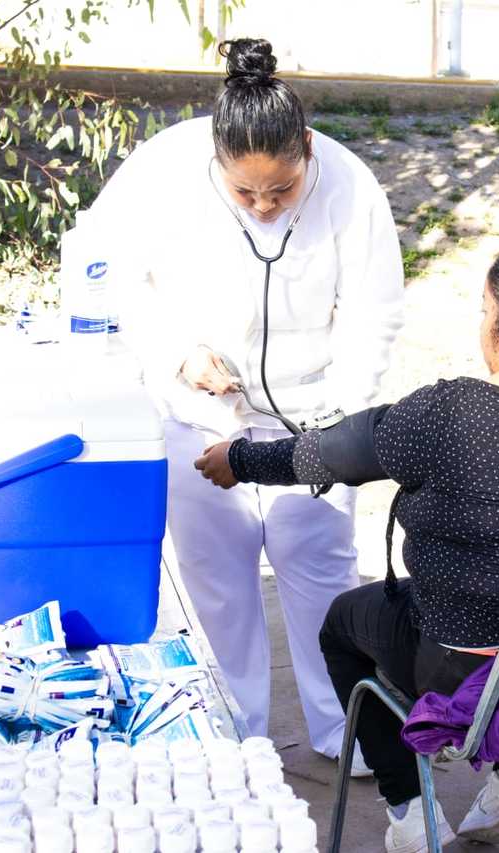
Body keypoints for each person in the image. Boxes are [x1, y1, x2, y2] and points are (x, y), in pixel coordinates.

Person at [194, 238, 499, 851]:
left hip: (459, 665)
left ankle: (411, 813)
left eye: (486, 309)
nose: (482, 325)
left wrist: (239, 459)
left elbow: (333, 452)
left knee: (344, 623)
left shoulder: (457, 414)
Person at [90, 38, 405, 772]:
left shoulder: (351, 186)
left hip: (310, 415)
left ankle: (343, 728)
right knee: (219, 583)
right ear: (215, 158)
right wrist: (176, 352)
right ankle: (235, 737)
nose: (264, 206)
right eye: (245, 194)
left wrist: (340, 422)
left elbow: (375, 314)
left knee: (319, 571)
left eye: (282, 191)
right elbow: (110, 275)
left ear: (307, 149)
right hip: (202, 414)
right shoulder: (164, 169)